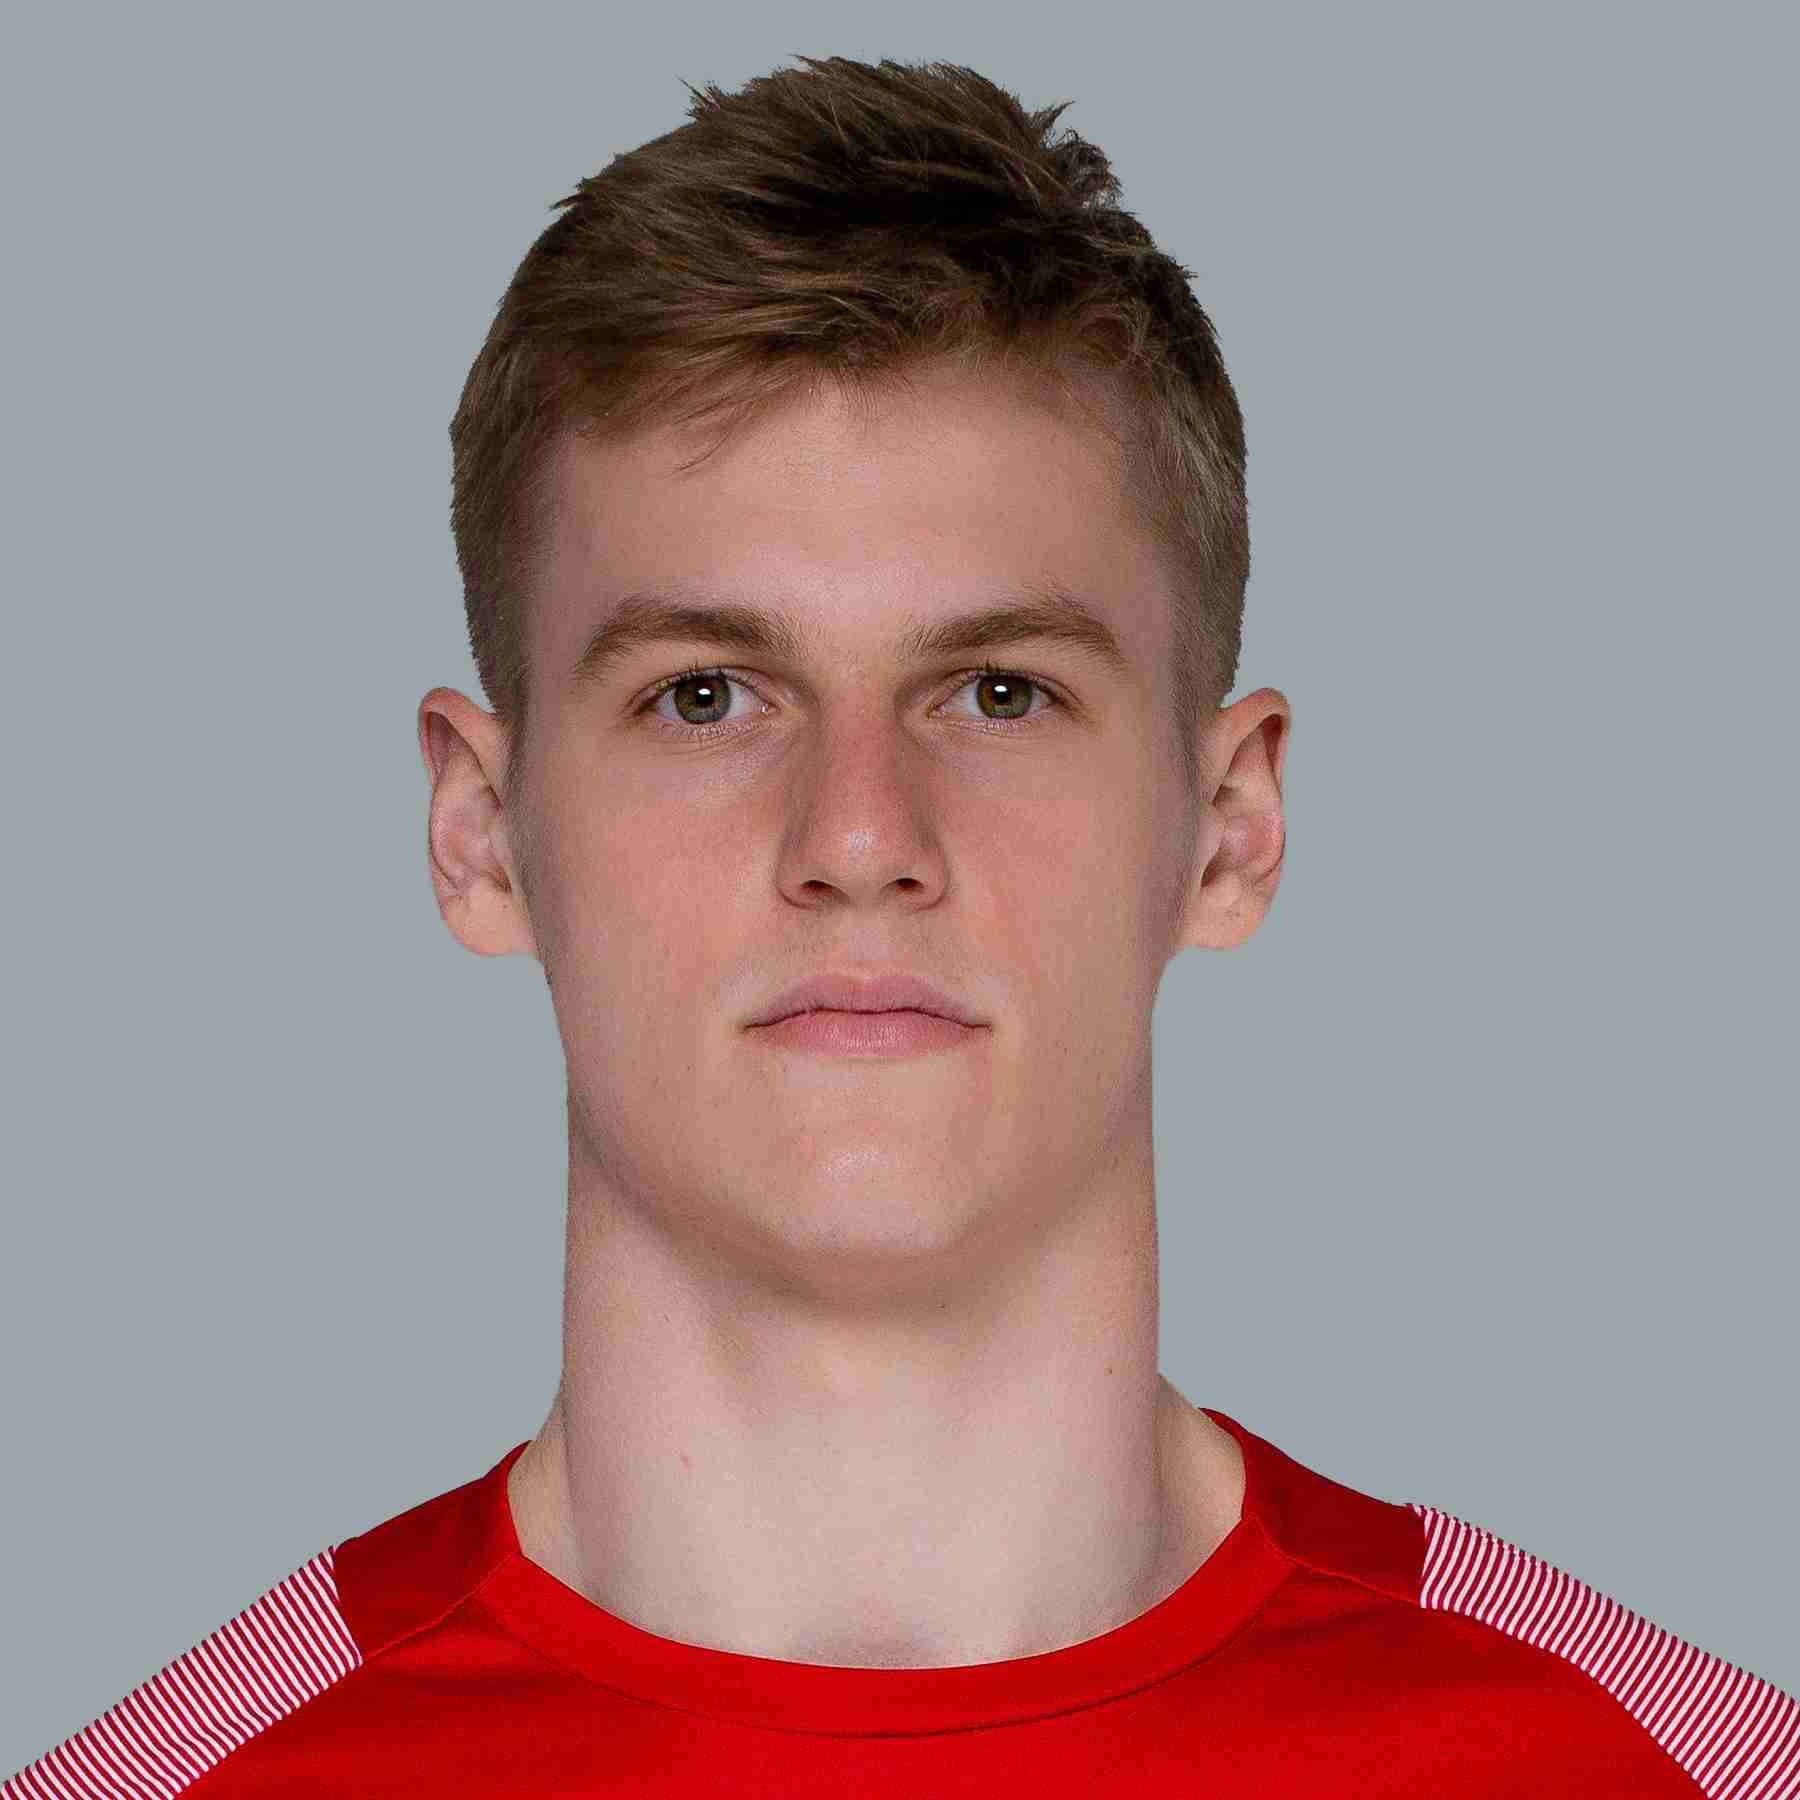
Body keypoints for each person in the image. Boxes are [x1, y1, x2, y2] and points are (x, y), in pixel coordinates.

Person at [8, 52, 1793, 1800]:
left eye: (1001, 693)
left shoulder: (1667, 1767)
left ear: (1228, 828)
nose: (859, 840)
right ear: (481, 832)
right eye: (704, 696)